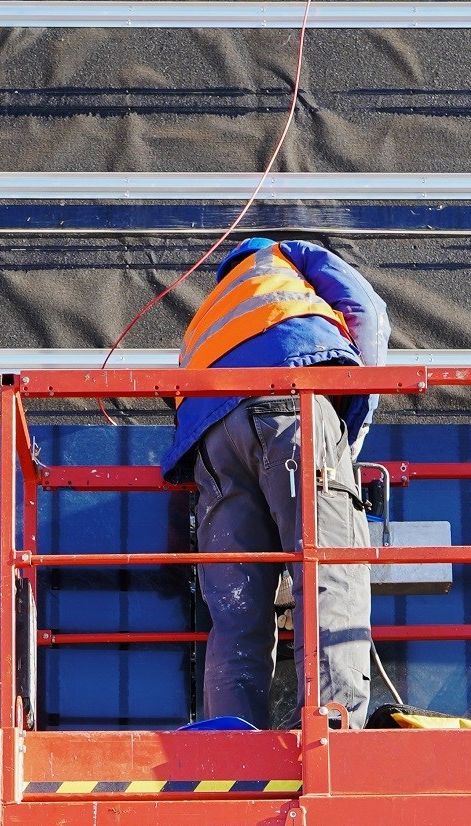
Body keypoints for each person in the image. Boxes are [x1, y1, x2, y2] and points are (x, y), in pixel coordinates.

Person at [161, 236, 388, 728]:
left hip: (212, 443)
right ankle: (334, 727)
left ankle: (230, 740)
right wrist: (349, 437)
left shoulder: (207, 314)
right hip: (292, 404)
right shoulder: (287, 257)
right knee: (330, 573)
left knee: (237, 608)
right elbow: (367, 311)